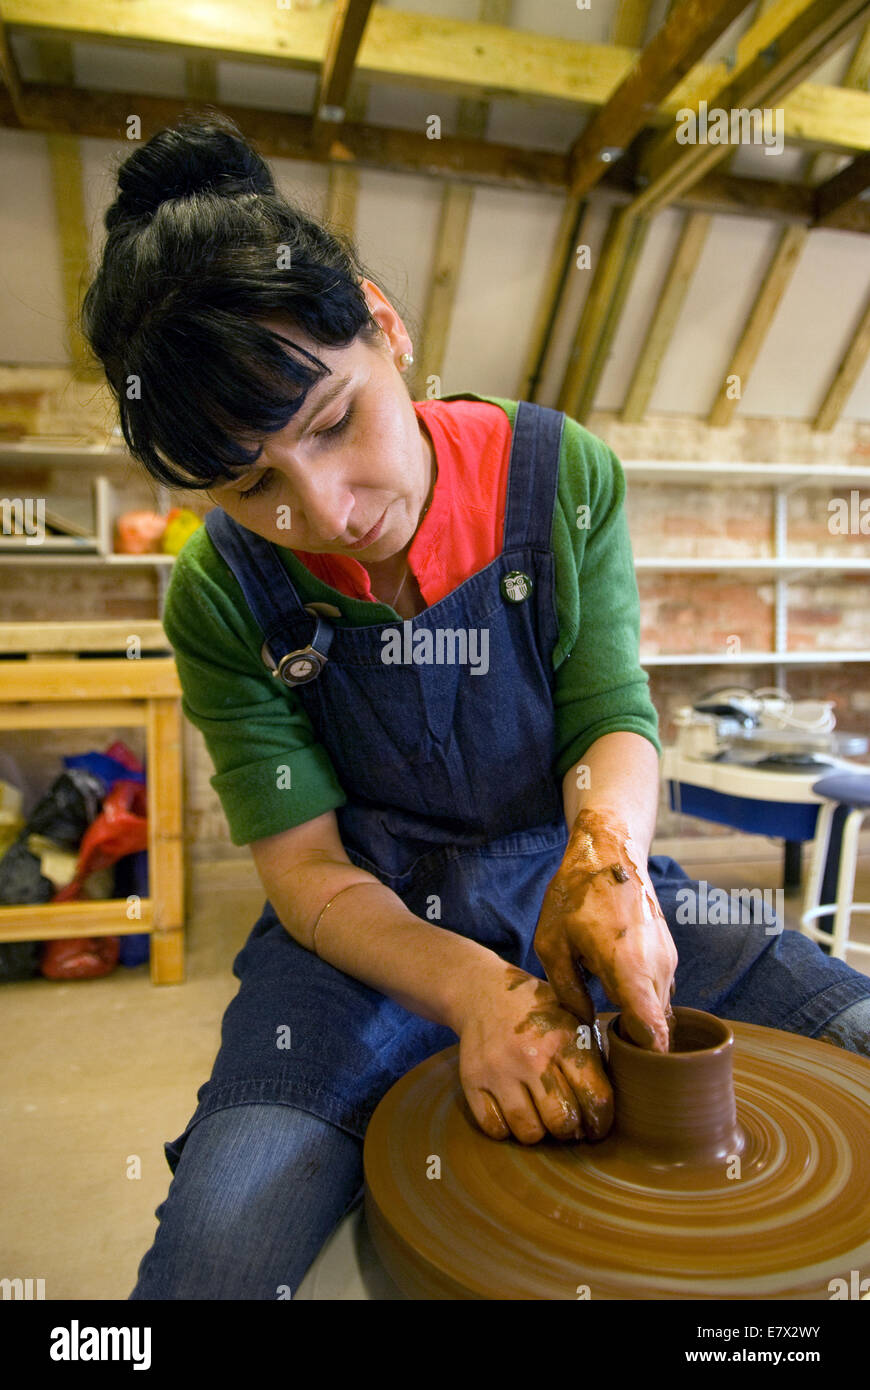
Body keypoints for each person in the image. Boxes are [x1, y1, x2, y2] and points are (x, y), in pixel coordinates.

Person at [80, 111, 870, 1301]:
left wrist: (612, 862)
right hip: (369, 923)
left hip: (571, 866)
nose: (328, 510)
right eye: (253, 486)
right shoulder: (220, 593)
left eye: (335, 421)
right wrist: (471, 991)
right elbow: (305, 873)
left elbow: (613, 714)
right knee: (218, 1258)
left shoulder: (562, 479)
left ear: (384, 322)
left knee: (849, 1027)